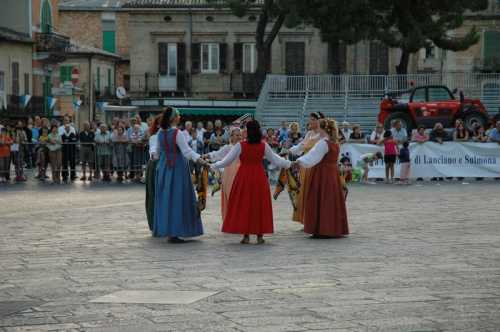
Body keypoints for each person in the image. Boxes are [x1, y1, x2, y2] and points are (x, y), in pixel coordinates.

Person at [211, 120, 291, 244]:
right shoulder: (264, 145)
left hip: (244, 177)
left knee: (245, 204)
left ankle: (246, 235)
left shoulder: (241, 145)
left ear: (248, 131)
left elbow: (226, 161)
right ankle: (260, 235)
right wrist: (289, 163)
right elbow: (276, 160)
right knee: (259, 204)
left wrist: (213, 165)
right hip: (259, 177)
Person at [153, 107, 206, 243]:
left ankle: (168, 230)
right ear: (173, 118)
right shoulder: (177, 133)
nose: (179, 117)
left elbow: (157, 153)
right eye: (178, 115)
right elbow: (187, 151)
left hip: (164, 167)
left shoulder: (160, 133)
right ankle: (176, 231)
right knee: (178, 198)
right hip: (177, 168)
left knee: (166, 198)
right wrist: (200, 159)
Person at [294, 119, 348, 238]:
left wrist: (297, 161)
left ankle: (322, 228)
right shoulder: (334, 142)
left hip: (321, 173)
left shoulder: (323, 143)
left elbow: (312, 157)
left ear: (322, 129)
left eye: (318, 127)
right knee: (330, 199)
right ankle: (333, 227)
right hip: (332, 174)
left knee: (321, 198)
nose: (316, 129)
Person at [289, 112, 327, 223]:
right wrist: (289, 150)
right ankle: (306, 218)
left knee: (313, 192)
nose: (309, 121)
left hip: (316, 166)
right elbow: (301, 146)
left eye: (312, 119)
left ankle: (315, 219)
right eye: (310, 119)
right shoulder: (309, 133)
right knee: (304, 192)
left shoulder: (323, 135)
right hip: (305, 166)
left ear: (318, 121)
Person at [205, 127, 242, 221]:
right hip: (229, 174)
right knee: (230, 195)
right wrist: (207, 156)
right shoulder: (227, 148)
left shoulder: (243, 146)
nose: (239, 137)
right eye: (237, 135)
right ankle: (231, 219)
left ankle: (239, 219)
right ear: (231, 136)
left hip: (241, 173)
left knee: (240, 197)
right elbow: (217, 154)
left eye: (240, 135)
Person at [145, 115, 161, 231]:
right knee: (154, 195)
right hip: (156, 165)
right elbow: (153, 150)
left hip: (165, 165)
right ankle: (155, 223)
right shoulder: (155, 137)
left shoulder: (173, 133)